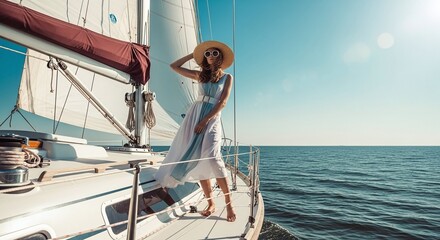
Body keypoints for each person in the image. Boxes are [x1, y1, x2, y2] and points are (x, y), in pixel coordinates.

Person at [154, 41, 236, 222]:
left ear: (220, 57)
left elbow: (222, 102)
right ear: (205, 58)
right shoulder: (200, 75)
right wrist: (194, 55)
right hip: (195, 114)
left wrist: (205, 120)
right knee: (196, 157)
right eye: (207, 53)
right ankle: (211, 202)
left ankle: (229, 204)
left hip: (211, 118)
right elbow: (174, 66)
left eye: (214, 53)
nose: (211, 55)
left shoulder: (227, 77)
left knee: (213, 158)